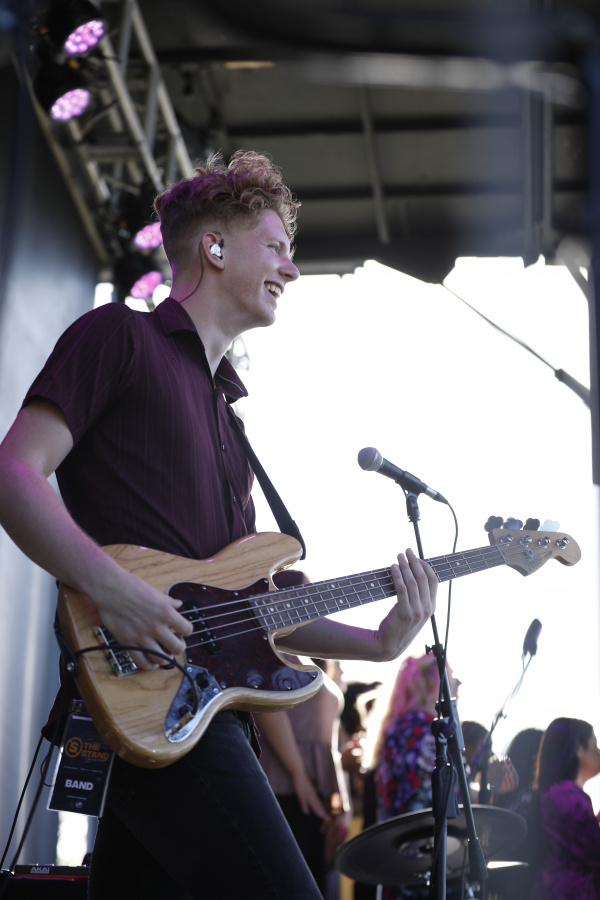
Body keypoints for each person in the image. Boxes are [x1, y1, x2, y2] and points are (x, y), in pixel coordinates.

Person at [0, 150, 437, 900]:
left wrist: (380, 641)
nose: (291, 269)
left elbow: (251, 610)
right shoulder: (119, 336)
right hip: (144, 696)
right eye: (276, 247)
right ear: (214, 247)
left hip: (195, 712)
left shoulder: (231, 424)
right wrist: (116, 590)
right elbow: (14, 473)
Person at [362, 653, 460, 900]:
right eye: (450, 677)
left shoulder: (398, 729)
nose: (458, 683)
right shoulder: (426, 733)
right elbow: (427, 805)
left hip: (395, 864)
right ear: (431, 684)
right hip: (421, 871)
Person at [527, 717, 600, 900]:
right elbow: (594, 849)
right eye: (595, 744)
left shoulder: (563, 795)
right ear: (578, 748)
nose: (599, 751)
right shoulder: (566, 797)